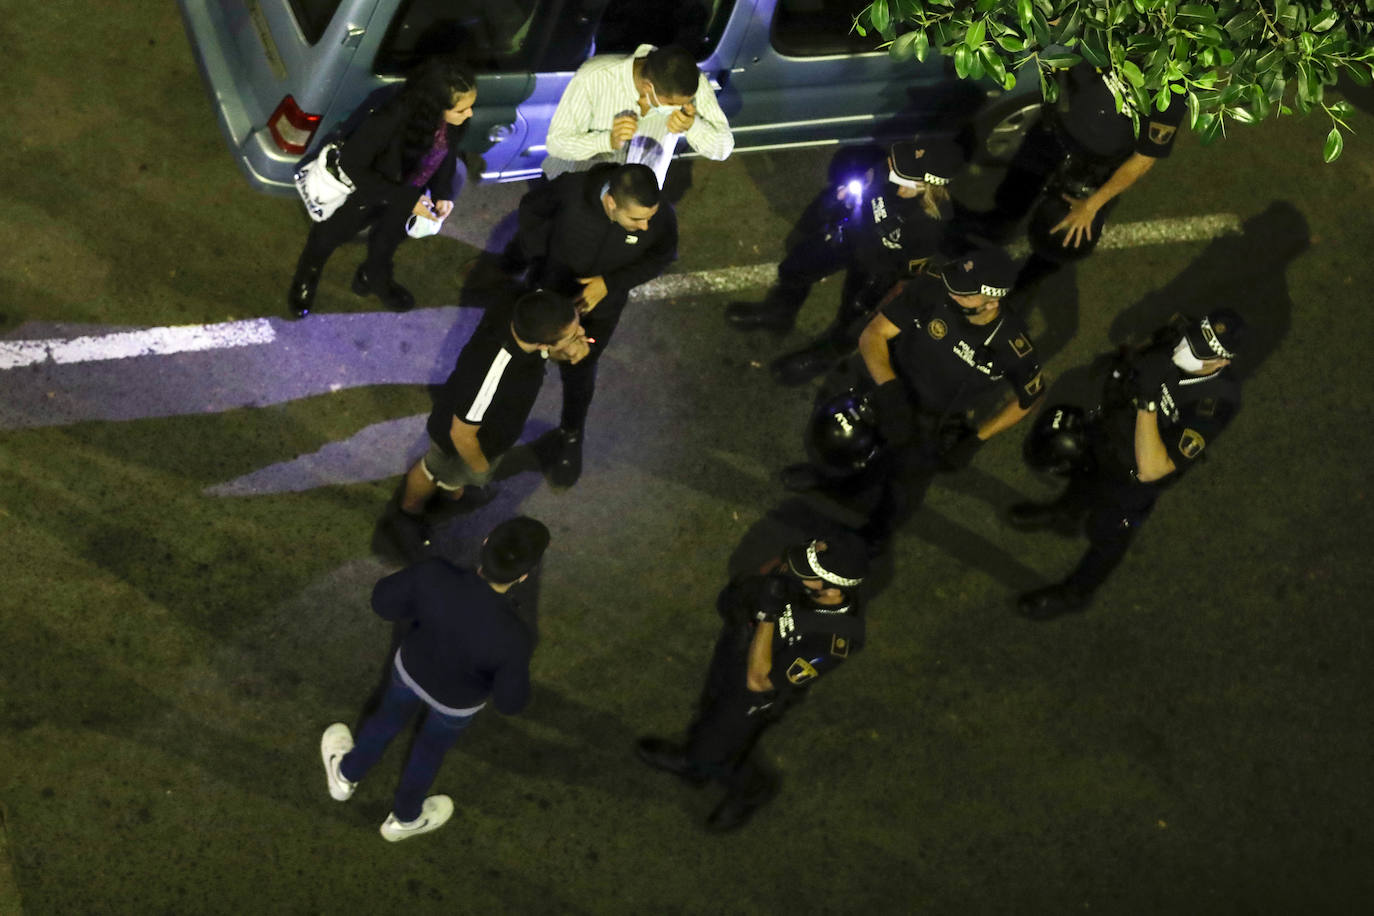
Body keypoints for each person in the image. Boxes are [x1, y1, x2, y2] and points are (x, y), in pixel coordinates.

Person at [782, 246, 1046, 552]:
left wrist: (977, 438)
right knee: (850, 443)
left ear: (992, 300)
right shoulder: (935, 287)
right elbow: (874, 334)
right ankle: (832, 481)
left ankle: (875, 536)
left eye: (964, 293)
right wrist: (890, 392)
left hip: (931, 425)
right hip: (887, 387)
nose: (953, 293)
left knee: (902, 489)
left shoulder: (1010, 346)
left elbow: (1030, 397)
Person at [320, 516, 550, 842]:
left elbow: (383, 602)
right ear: (524, 576)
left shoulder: (435, 575)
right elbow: (510, 702)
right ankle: (404, 818)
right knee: (429, 750)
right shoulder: (516, 638)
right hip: (457, 704)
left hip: (411, 670)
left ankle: (345, 776)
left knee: (385, 719)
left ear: (485, 543)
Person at [1012, 310, 1244, 620]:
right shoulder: (1178, 337)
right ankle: (1064, 513)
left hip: (1133, 478)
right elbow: (1135, 351)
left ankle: (1076, 593)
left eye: (1202, 351)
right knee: (1084, 476)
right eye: (1192, 340)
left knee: (1109, 535)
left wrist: (1148, 399)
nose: (1186, 351)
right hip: (1110, 432)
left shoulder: (1214, 402)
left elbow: (1153, 468)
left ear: (1223, 362)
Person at [636, 533, 869, 832]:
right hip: (732, 657)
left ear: (833, 589)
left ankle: (750, 788)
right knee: (709, 709)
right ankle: (695, 765)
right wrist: (743, 596)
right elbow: (738, 595)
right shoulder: (799, 578)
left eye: (806, 574)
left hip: (752, 697)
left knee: (722, 744)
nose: (791, 570)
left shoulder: (837, 638)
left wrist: (768, 615)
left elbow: (759, 681)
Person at [725, 137, 965, 385]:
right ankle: (778, 313)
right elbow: (865, 182)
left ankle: (821, 358)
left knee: (854, 317)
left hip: (876, 268)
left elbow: (907, 272)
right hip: (848, 235)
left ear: (924, 183)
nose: (891, 162)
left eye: (901, 166)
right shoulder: (888, 168)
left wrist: (885, 289)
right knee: (797, 266)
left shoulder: (929, 225)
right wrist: (846, 196)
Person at [513, 162, 678, 487]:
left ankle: (571, 436)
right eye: (636, 219)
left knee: (580, 371)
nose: (646, 226)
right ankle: (500, 420)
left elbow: (661, 256)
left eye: (649, 217)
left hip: (599, 313)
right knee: (522, 359)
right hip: (549, 299)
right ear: (611, 203)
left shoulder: (658, 217)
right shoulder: (572, 190)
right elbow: (532, 211)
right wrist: (542, 263)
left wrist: (610, 283)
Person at [389, 290, 588, 548]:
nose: (581, 333)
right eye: (573, 334)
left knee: (453, 479)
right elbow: (461, 434)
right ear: (542, 345)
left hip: (488, 426)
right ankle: (408, 514)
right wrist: (480, 470)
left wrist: (566, 347)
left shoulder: (523, 310)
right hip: (459, 442)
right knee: (433, 470)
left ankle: (455, 489)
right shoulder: (492, 375)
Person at [970, 62, 1187, 297]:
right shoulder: (1123, 30)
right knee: (1016, 189)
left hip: (1094, 169)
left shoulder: (1172, 85)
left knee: (1064, 235)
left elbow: (1144, 159)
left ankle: (1024, 284)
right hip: (1055, 132)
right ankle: (993, 228)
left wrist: (1092, 205)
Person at [287, 53, 477, 318]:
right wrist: (407, 200)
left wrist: (443, 192)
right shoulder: (391, 117)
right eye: (461, 109)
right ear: (435, 106)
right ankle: (307, 276)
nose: (469, 114)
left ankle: (373, 277)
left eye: (470, 107)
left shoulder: (452, 123)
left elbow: (445, 154)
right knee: (329, 235)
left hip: (408, 194)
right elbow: (353, 165)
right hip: (366, 191)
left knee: (386, 242)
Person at [540, 43, 733, 183]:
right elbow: (557, 144)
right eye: (672, 104)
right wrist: (607, 140)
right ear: (649, 87)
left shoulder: (692, 84)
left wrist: (693, 126)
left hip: (635, 198)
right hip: (580, 187)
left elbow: (723, 149)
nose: (677, 109)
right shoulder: (595, 77)